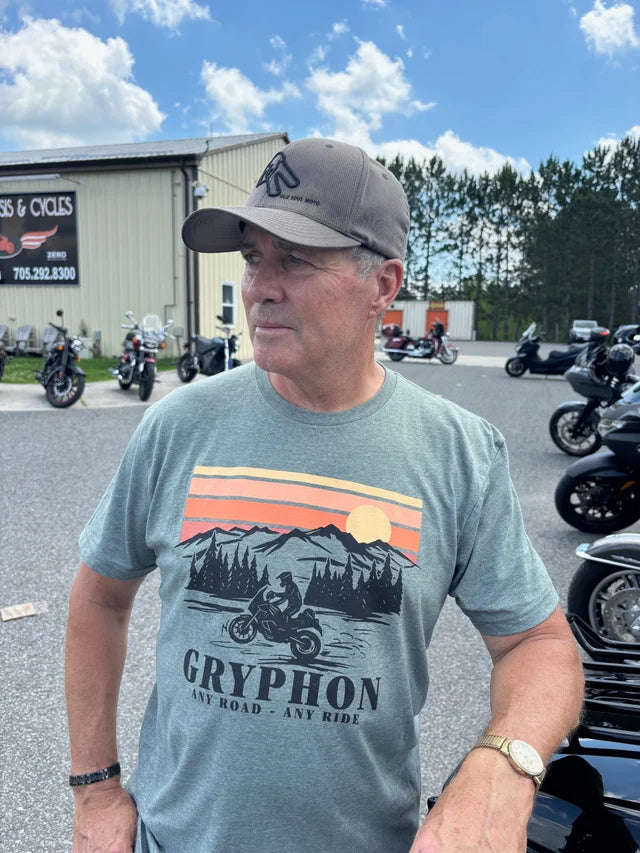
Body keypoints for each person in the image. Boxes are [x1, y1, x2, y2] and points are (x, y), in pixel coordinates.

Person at [65, 137, 584, 853]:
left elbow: (539, 642)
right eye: (252, 257)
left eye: (296, 260)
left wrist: (503, 765)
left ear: (384, 283)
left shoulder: (460, 451)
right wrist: (94, 787)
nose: (259, 286)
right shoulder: (178, 426)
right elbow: (99, 596)